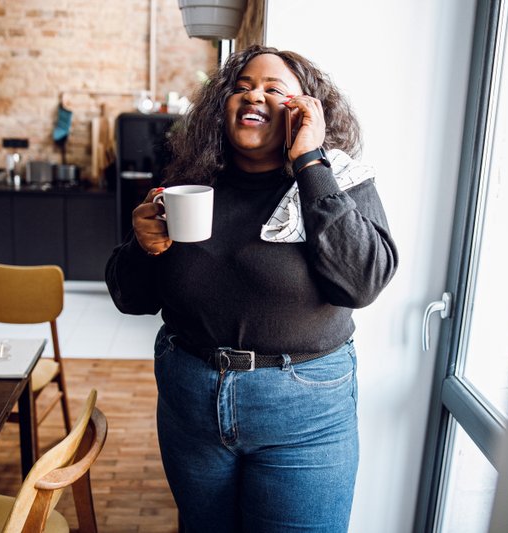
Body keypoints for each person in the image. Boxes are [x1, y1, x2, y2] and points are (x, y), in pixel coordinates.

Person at [106, 44, 398, 533]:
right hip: (190, 402)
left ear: (306, 110)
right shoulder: (188, 183)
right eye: (240, 88)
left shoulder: (337, 180)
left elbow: (362, 281)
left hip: (304, 413)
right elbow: (129, 298)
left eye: (272, 89)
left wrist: (309, 160)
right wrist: (143, 245)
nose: (252, 96)